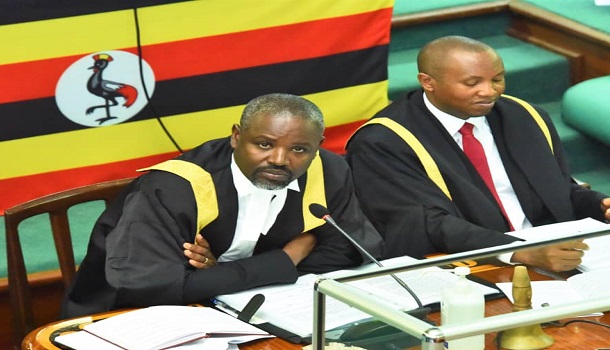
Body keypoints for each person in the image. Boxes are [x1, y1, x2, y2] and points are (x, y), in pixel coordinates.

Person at [61, 93, 384, 318]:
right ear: (235, 137)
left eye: (299, 149)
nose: (279, 160)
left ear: (318, 147)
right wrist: (286, 257)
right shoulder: (173, 188)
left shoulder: (327, 170)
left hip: (248, 311)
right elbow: (148, 288)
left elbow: (353, 249)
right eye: (264, 144)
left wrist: (220, 274)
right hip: (123, 321)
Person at [345, 36, 610, 272]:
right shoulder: (383, 141)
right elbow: (428, 224)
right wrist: (519, 252)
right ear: (428, 82)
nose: (489, 92)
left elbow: (558, 189)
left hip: (553, 254)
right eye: (472, 83)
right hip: (467, 267)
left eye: (497, 79)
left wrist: (601, 205)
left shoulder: (524, 116)